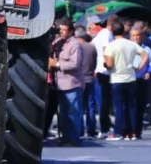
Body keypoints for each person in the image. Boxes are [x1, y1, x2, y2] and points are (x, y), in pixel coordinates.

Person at [104, 21, 149, 140]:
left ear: (112, 32)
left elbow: (109, 64)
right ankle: (133, 132)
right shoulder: (131, 44)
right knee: (131, 106)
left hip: (117, 78)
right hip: (131, 77)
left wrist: (105, 63)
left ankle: (119, 132)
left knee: (119, 107)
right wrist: (139, 68)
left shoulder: (110, 46)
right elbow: (145, 56)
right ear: (124, 31)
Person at [50, 18, 85, 146]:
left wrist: (57, 64)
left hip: (72, 84)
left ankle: (73, 139)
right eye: (60, 30)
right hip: (60, 84)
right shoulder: (58, 42)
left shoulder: (75, 45)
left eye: (64, 30)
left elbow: (75, 64)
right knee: (63, 114)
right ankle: (65, 137)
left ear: (71, 32)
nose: (61, 33)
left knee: (73, 113)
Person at [92, 14, 118, 138]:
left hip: (99, 69)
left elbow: (92, 44)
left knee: (102, 101)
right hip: (105, 71)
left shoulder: (101, 33)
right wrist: (110, 65)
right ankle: (104, 128)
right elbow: (106, 50)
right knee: (104, 102)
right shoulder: (108, 35)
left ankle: (105, 126)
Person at [131, 26, 151, 138]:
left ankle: (138, 130)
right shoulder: (128, 48)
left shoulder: (147, 50)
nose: (136, 38)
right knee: (131, 106)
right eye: (134, 35)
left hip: (142, 80)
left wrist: (149, 72)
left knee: (140, 106)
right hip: (129, 80)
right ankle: (130, 129)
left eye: (138, 35)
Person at [77, 32, 98, 139]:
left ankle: (79, 130)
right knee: (90, 105)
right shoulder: (92, 48)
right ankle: (91, 129)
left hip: (79, 79)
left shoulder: (76, 47)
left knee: (79, 105)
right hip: (90, 78)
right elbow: (95, 64)